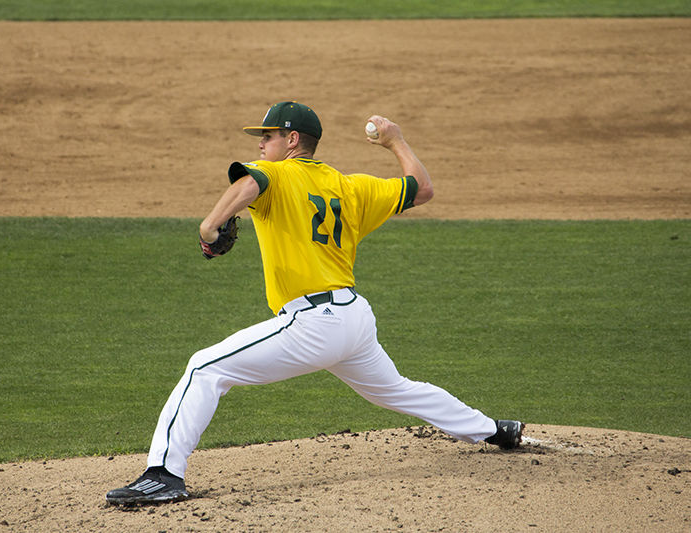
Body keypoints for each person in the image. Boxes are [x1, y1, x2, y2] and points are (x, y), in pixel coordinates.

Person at [106, 101, 524, 505]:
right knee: (397, 391)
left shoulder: (277, 174)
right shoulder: (352, 185)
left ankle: (163, 475)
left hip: (313, 323)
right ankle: (493, 430)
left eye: (267, 135)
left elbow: (251, 182)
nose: (260, 145)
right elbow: (423, 188)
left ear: (291, 140)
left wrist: (209, 227)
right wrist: (395, 141)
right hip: (354, 319)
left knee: (204, 367)